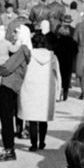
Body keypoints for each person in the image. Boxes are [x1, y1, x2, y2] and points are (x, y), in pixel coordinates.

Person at [0, 25, 30, 162]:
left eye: (16, 32)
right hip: (13, 85)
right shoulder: (22, 49)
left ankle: (9, 150)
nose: (13, 34)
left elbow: (8, 67)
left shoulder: (22, 49)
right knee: (7, 118)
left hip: (9, 85)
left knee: (6, 118)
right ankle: (8, 148)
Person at [20, 27, 60, 155]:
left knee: (32, 118)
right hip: (46, 90)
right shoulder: (52, 57)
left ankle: (33, 144)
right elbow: (58, 75)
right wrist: (58, 92)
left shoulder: (28, 56)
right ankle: (42, 142)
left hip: (31, 89)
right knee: (43, 118)